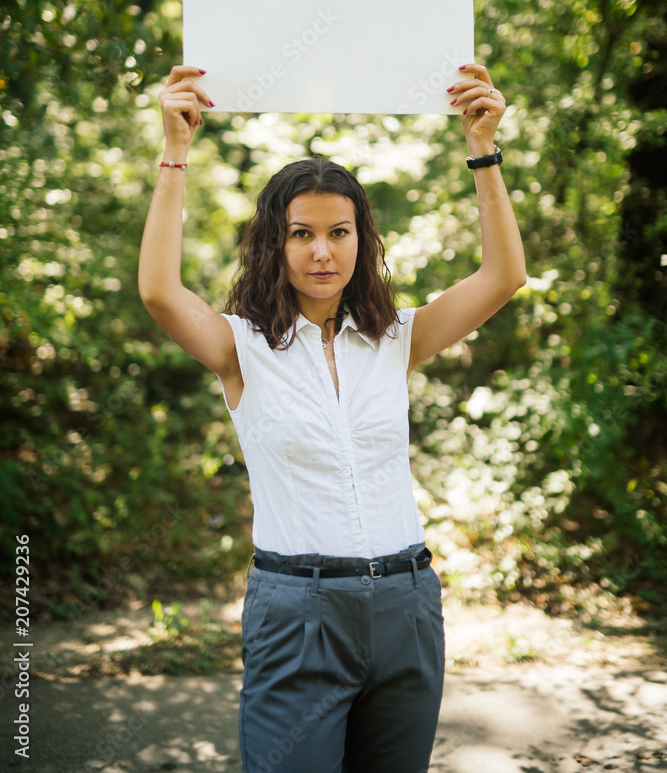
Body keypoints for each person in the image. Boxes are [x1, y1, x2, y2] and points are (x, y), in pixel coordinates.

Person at [138, 61, 526, 773]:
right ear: (275, 244)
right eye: (301, 234)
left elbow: (504, 276)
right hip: (298, 613)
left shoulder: (395, 338)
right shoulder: (241, 347)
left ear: (361, 241)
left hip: (406, 606)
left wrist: (482, 150)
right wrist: (175, 152)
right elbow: (160, 291)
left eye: (339, 232)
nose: (322, 251)